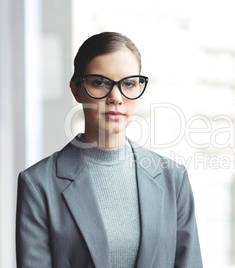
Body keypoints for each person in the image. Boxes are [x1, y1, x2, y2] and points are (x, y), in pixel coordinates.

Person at [16, 32, 203, 268]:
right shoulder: (38, 184)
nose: (116, 97)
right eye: (100, 83)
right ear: (76, 89)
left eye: (129, 84)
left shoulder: (173, 179)